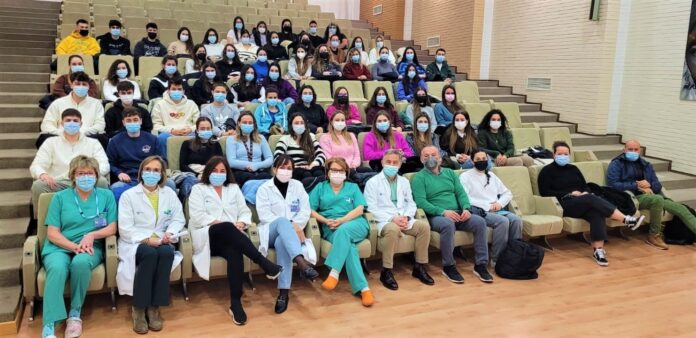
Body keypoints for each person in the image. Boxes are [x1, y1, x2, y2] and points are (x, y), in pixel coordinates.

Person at [188, 156, 282, 324]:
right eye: (215, 171)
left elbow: (245, 211)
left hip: (231, 238)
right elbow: (197, 216)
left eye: (222, 171)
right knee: (226, 227)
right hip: (207, 236)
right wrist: (229, 225)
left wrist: (241, 222)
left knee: (235, 252)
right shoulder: (198, 189)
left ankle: (235, 303)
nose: (218, 174)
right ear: (208, 172)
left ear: (227, 173)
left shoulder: (233, 188)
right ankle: (263, 262)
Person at [39, 156, 117, 338]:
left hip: (91, 247)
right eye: (81, 173)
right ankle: (50, 322)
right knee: (57, 268)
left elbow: (112, 227)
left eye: (90, 173)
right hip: (60, 246)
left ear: (97, 175)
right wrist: (74, 246)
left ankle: (74, 315)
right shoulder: (59, 198)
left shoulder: (106, 195)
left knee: (80, 264)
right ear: (73, 176)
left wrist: (91, 235)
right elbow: (52, 233)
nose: (86, 177)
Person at [538, 141, 644, 267]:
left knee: (596, 212)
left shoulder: (574, 169)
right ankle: (626, 219)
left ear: (570, 155)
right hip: (563, 204)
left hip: (582, 201)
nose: (563, 156)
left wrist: (584, 193)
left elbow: (585, 186)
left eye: (566, 154)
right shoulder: (547, 171)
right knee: (590, 199)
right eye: (560, 153)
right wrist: (570, 193)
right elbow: (545, 192)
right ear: (554, 154)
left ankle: (598, 251)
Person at [117, 156, 185, 334]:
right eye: (148, 169)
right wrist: (147, 239)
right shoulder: (128, 196)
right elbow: (125, 229)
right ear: (141, 172)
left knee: (166, 254)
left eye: (156, 170)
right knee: (149, 254)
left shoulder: (169, 194)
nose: (152, 173)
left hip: (162, 238)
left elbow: (178, 218)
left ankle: (154, 307)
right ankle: (139, 308)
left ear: (162, 174)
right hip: (136, 241)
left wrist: (170, 232)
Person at [411, 145, 493, 283]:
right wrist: (443, 212)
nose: (430, 158)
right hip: (436, 216)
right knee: (448, 224)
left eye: (433, 155)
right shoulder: (418, 178)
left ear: (440, 157)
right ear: (421, 159)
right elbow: (420, 202)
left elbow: (461, 193)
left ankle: (481, 265)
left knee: (479, 222)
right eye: (426, 156)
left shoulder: (450, 173)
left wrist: (466, 208)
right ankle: (449, 266)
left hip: (458, 213)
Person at [255, 155, 320, 313]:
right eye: (282, 167)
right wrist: (292, 225)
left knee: (282, 242)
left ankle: (283, 293)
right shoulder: (264, 189)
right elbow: (264, 216)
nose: (285, 171)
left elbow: (305, 210)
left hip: (289, 236)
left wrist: (296, 225)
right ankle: (302, 263)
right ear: (274, 169)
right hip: (269, 231)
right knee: (283, 222)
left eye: (289, 168)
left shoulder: (297, 186)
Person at [364, 149, 434, 290]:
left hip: (404, 217)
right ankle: (386, 271)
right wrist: (392, 219)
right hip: (383, 220)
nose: (391, 165)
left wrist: (407, 216)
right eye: (388, 162)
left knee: (424, 227)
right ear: (382, 162)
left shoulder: (404, 181)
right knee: (392, 229)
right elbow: (371, 208)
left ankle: (419, 266)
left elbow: (411, 203)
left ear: (400, 164)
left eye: (395, 162)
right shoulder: (372, 182)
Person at [607, 139, 696, 249]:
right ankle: (653, 236)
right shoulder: (616, 164)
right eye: (630, 149)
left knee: (681, 208)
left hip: (651, 195)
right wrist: (637, 185)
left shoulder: (646, 164)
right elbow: (612, 184)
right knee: (657, 199)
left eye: (636, 149)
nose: (633, 152)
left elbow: (657, 184)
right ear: (624, 150)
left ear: (640, 151)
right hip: (631, 197)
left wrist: (649, 186)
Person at [309, 157, 373, 307]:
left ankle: (334, 272)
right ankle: (364, 288)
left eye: (340, 170)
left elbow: (359, 209)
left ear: (346, 172)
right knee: (349, 247)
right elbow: (310, 209)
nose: (337, 173)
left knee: (344, 231)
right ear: (328, 172)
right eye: (334, 170)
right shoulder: (320, 187)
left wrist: (342, 220)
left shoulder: (353, 187)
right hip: (330, 227)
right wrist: (325, 221)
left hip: (355, 223)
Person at [31, 109, 110, 217]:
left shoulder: (93, 143)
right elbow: (37, 165)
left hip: (85, 179)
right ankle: (43, 223)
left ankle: (100, 218)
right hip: (59, 182)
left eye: (75, 120)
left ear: (81, 124)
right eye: (68, 120)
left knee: (101, 181)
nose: (71, 123)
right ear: (62, 123)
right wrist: (43, 174)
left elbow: (104, 164)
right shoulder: (50, 142)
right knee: (38, 186)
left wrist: (90, 175)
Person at [460, 150, 523, 265]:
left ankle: (514, 254)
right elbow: (465, 198)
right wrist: (487, 206)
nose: (481, 161)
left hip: (497, 209)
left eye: (484, 159)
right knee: (503, 221)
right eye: (478, 159)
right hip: (478, 211)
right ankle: (497, 259)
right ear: (472, 161)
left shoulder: (492, 175)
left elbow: (507, 193)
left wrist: (499, 203)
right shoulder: (465, 176)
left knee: (516, 220)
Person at [107, 107, 173, 201]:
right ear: (123, 123)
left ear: (141, 121)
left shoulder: (153, 139)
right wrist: (119, 173)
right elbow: (110, 163)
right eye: (128, 120)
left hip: (151, 176)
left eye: (135, 120)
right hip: (128, 179)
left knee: (170, 184)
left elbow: (162, 160)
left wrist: (153, 174)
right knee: (116, 189)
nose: (132, 123)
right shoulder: (115, 141)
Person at [39, 72, 106, 149]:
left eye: (84, 84)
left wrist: (82, 132)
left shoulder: (96, 104)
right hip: (61, 137)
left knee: (102, 139)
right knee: (43, 139)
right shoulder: (58, 103)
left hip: (87, 137)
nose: (81, 86)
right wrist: (63, 133)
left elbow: (100, 125)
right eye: (77, 84)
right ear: (71, 85)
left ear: (88, 87)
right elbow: (46, 124)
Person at [151, 78, 200, 159]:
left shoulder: (191, 104)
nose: (176, 91)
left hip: (188, 132)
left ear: (183, 91)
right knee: (160, 138)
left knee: (200, 136)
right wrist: (172, 130)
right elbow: (156, 125)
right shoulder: (160, 105)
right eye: (173, 89)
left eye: (179, 89)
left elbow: (198, 124)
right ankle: (164, 162)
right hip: (169, 132)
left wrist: (190, 129)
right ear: (168, 90)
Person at [274, 113, 326, 188]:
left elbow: (321, 154)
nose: (299, 125)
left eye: (302, 123)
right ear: (291, 125)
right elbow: (277, 158)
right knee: (306, 174)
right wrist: (292, 166)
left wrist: (312, 165)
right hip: (294, 168)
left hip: (310, 166)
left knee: (319, 172)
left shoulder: (311, 137)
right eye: (296, 123)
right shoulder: (285, 139)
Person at [178, 117, 223, 201]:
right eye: (202, 128)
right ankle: (183, 206)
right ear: (197, 130)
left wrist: (207, 174)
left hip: (212, 174)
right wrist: (197, 175)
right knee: (190, 181)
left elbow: (221, 164)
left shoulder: (216, 145)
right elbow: (182, 165)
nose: (205, 130)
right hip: (192, 175)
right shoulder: (187, 144)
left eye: (208, 128)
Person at [225, 111, 274, 186]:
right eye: (244, 122)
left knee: (269, 179)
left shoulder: (261, 138)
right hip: (240, 171)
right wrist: (250, 165)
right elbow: (231, 162)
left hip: (258, 170)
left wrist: (257, 166)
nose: (247, 125)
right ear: (239, 123)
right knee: (250, 178)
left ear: (254, 125)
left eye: (250, 123)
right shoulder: (231, 139)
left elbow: (270, 158)